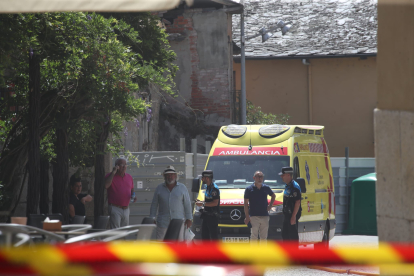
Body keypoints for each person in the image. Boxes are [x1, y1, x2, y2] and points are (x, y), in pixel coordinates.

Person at [150, 165, 193, 240]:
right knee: (161, 244)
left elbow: (187, 204)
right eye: (168, 175)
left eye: (172, 175)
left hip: (178, 222)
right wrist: (152, 217)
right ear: (164, 177)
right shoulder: (159, 188)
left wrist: (189, 218)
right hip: (163, 222)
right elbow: (154, 204)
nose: (170, 177)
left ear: (175, 176)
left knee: (179, 244)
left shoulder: (182, 188)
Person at [244, 171, 276, 243]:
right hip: (253, 216)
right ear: (254, 178)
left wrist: (270, 205)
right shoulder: (249, 189)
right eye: (258, 176)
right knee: (254, 237)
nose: (259, 178)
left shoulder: (266, 188)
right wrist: (247, 217)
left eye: (261, 176)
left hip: (264, 216)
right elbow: (245, 204)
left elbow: (273, 195)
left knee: (263, 238)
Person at [105, 157, 136, 229]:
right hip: (115, 208)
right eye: (122, 165)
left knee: (125, 231)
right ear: (117, 166)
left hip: (126, 208)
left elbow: (132, 188)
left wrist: (133, 195)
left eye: (125, 165)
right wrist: (113, 173)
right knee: (116, 231)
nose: (124, 167)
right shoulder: (110, 176)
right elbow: (106, 186)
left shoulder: (129, 177)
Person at [279, 166, 302, 245]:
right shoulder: (287, 185)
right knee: (285, 235)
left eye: (283, 175)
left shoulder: (294, 186)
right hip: (287, 214)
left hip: (292, 213)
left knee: (293, 236)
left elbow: (297, 202)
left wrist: (293, 217)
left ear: (288, 175)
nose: (281, 177)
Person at [195, 170, 220, 240]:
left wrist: (202, 204)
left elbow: (215, 202)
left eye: (203, 178)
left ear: (207, 178)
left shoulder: (214, 189)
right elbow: (208, 200)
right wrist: (200, 201)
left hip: (212, 217)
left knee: (214, 237)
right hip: (206, 216)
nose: (202, 179)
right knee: (204, 236)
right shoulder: (207, 187)